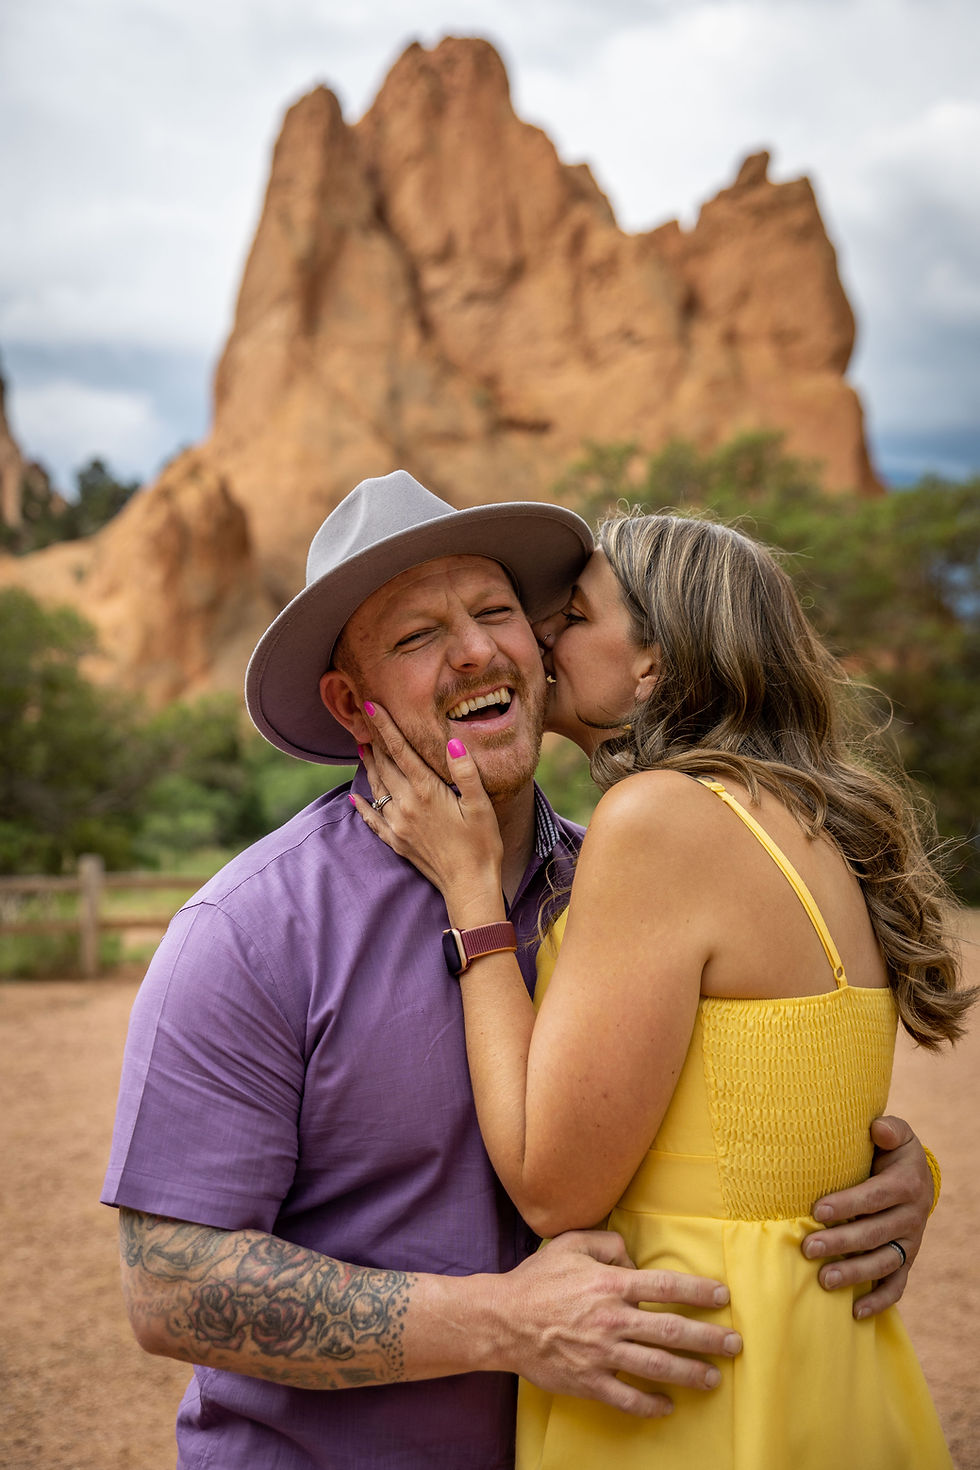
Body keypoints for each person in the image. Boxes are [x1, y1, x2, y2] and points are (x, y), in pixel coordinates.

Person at [103, 475, 938, 1470]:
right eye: (416, 637)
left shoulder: (638, 882)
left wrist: (873, 1181)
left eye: (498, 612)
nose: (477, 650)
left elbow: (755, 1087)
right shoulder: (247, 935)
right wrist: (500, 1322)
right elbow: (173, 1286)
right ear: (348, 704)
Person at [352, 507, 971, 1468]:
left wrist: (471, 892)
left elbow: (553, 1188)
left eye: (577, 616)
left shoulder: (658, 821)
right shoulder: (802, 822)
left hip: (691, 1375)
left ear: (652, 666)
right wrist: (904, 1176)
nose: (542, 640)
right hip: (820, 1359)